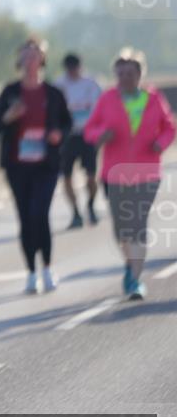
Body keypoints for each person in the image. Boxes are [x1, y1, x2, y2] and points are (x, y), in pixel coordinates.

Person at [85, 48, 175, 300]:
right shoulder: (107, 99)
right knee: (121, 230)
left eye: (129, 73)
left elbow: (169, 126)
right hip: (115, 173)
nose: (124, 77)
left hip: (147, 172)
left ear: (139, 74)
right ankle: (130, 263)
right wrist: (100, 136)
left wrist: (161, 142)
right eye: (120, 73)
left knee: (137, 226)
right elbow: (90, 129)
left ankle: (135, 279)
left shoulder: (153, 98)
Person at [0, 38, 72, 294]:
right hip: (17, 165)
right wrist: (8, 117)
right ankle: (30, 272)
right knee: (25, 219)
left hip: (45, 165)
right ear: (20, 60)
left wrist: (58, 133)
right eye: (26, 55)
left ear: (43, 60)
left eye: (35, 54)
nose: (30, 59)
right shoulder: (10, 92)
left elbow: (67, 124)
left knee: (40, 214)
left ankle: (47, 268)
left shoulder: (53, 93)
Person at [55, 53, 102, 228]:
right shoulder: (59, 86)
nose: (73, 72)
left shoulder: (92, 84)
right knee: (66, 177)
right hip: (68, 137)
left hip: (88, 135)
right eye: (69, 69)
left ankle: (90, 204)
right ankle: (75, 212)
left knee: (90, 175)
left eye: (75, 68)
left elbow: (101, 108)